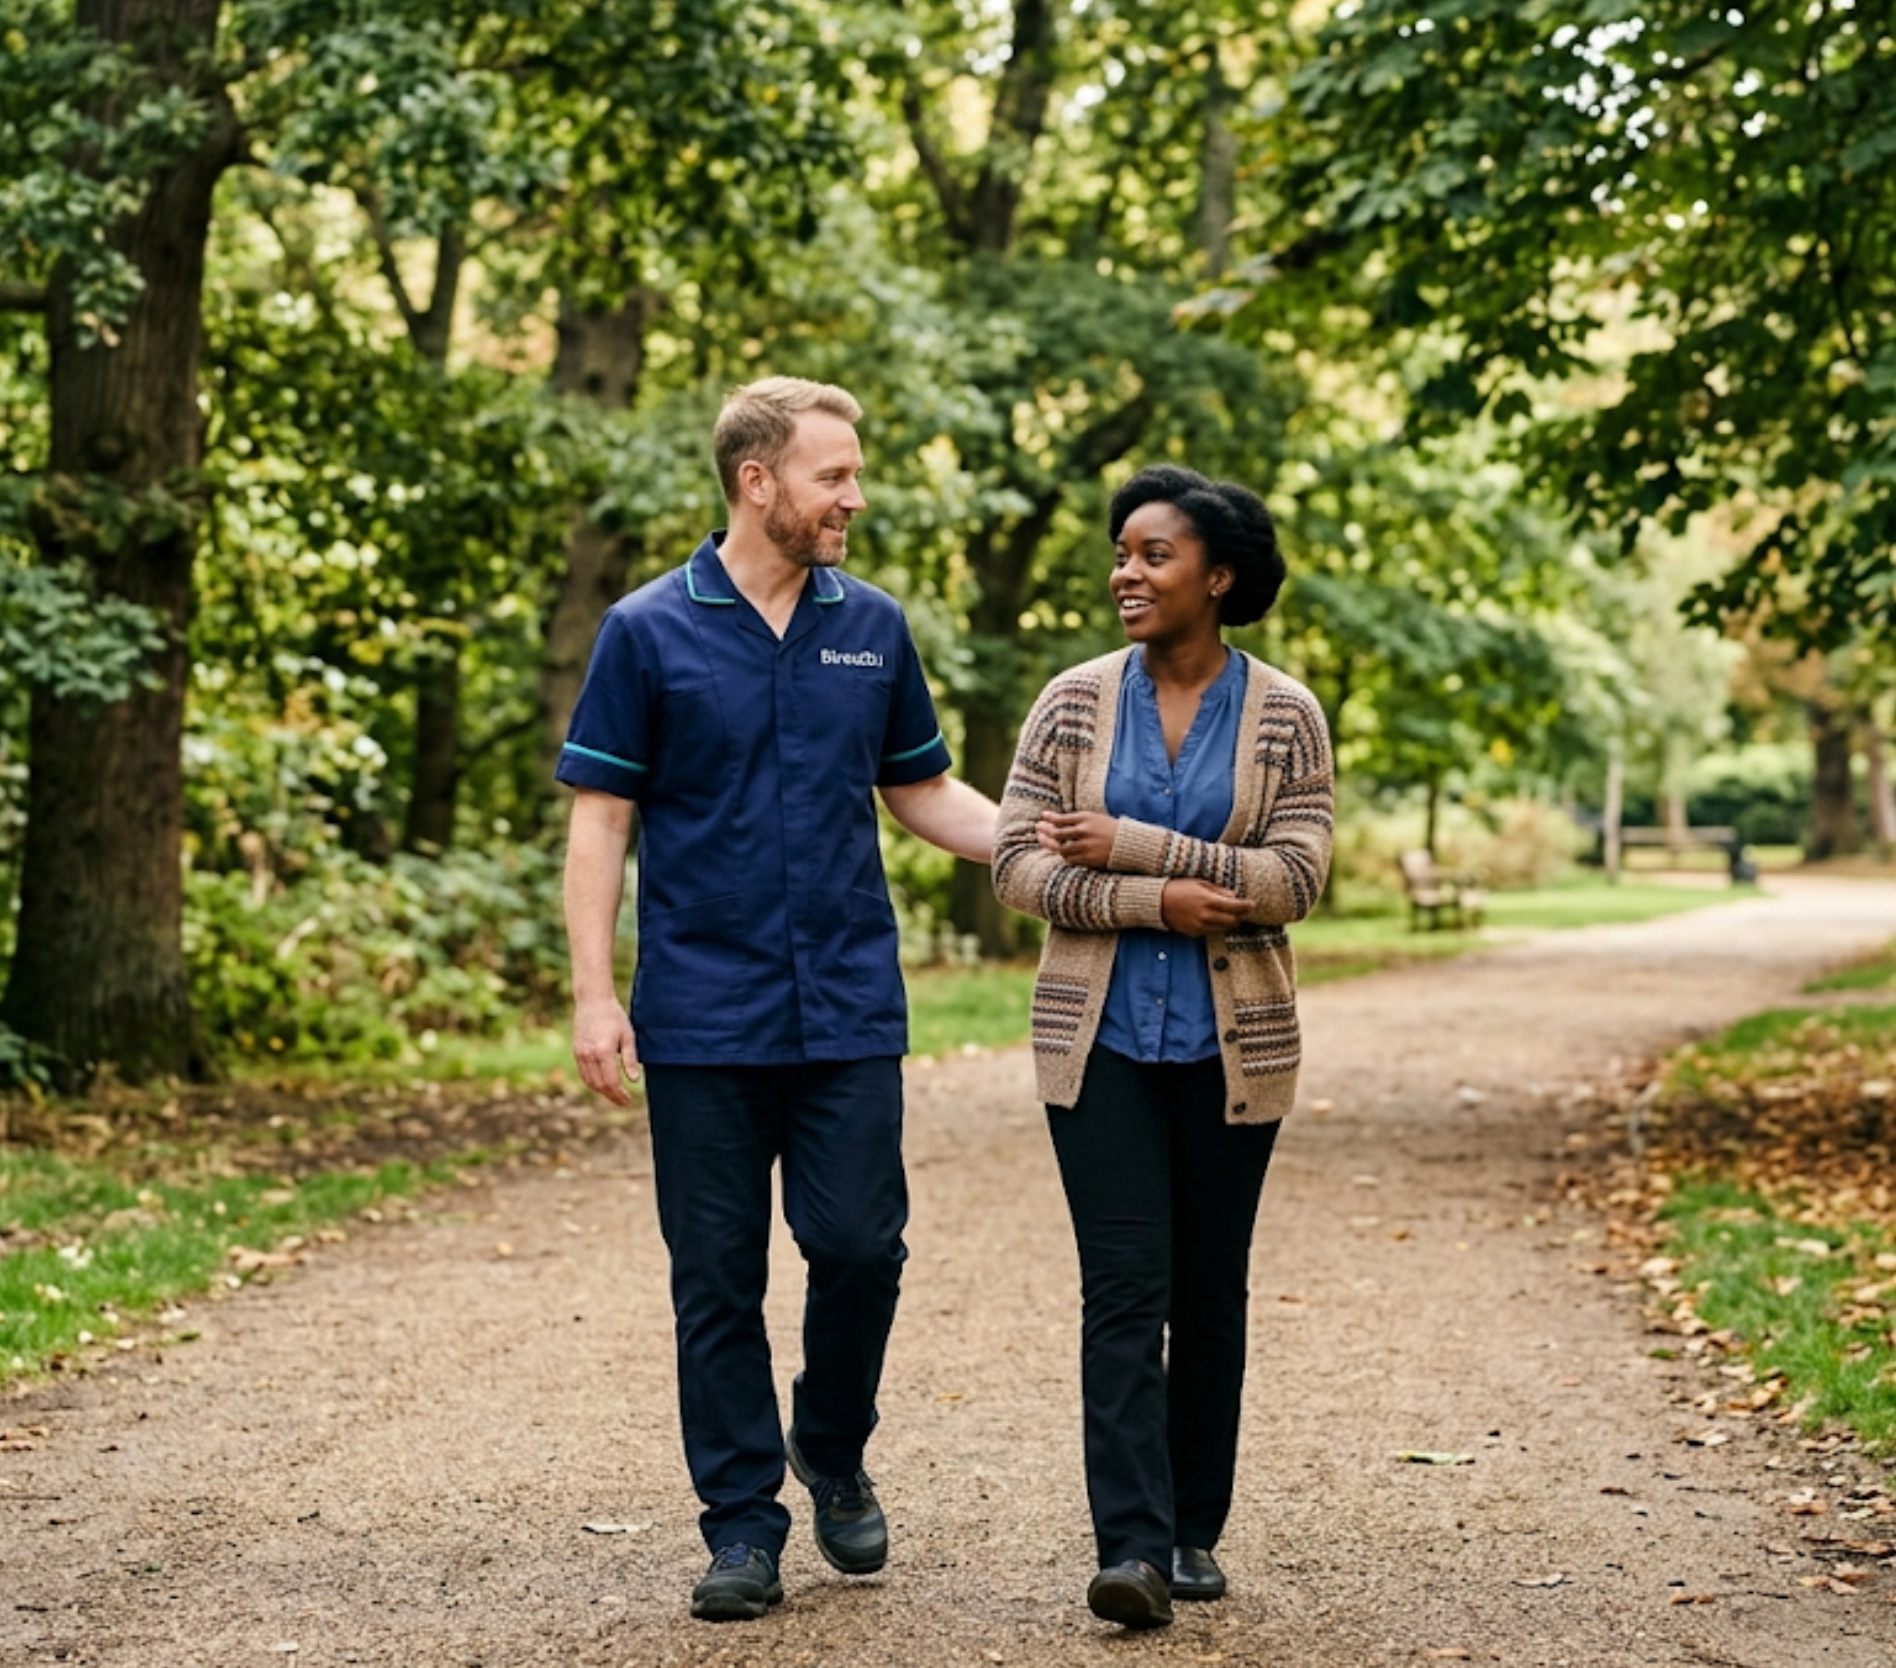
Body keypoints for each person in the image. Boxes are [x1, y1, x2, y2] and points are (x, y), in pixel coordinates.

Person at [556, 377, 998, 1623]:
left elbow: (922, 793)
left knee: (862, 1248)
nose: (854, 496)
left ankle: (833, 1442)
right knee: (715, 1277)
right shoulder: (647, 630)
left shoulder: (874, 628)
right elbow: (602, 823)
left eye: (853, 475)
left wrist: (1044, 845)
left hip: (849, 1002)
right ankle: (742, 1526)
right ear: (760, 483)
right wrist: (597, 998)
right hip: (700, 1012)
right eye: (834, 476)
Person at [992, 464, 1333, 1630]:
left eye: (1153, 556)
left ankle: (1194, 1529)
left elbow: (1297, 878)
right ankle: (1130, 1548)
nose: (1124, 573)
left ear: (1219, 577)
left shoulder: (1286, 714)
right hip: (1100, 1051)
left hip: (1236, 1050)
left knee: (1209, 1291)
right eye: (1122, 553)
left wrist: (1139, 848)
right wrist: (1157, 904)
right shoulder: (1071, 702)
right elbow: (1018, 865)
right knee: (1125, 1291)